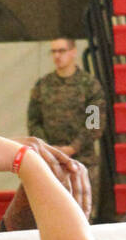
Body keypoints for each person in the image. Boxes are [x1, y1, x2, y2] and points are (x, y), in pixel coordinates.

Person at [28, 38, 105, 221]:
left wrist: (73, 148)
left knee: (84, 216)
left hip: (82, 161)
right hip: (51, 161)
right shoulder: (43, 85)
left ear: (73, 52)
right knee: (51, 216)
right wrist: (49, 148)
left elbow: (94, 123)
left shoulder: (89, 85)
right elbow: (34, 122)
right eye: (53, 52)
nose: (57, 56)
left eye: (61, 51)